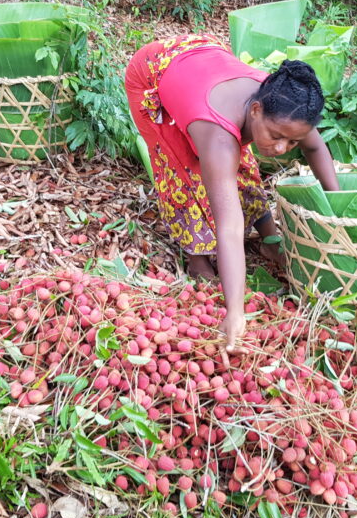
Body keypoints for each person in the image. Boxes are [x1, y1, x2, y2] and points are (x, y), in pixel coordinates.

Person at [125, 34, 339, 362]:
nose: (282, 148)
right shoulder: (218, 134)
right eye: (276, 137)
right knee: (185, 167)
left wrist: (337, 208)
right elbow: (229, 227)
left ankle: (270, 238)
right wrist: (235, 311)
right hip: (153, 73)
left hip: (203, 61)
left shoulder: (287, 107)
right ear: (255, 109)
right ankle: (197, 256)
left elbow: (313, 146)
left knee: (241, 164)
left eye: (290, 141)